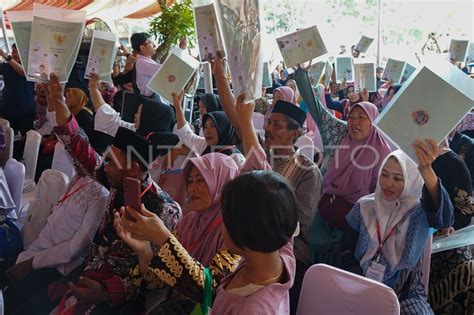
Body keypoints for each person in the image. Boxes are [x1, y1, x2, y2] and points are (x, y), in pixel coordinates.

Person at [47, 73, 181, 313]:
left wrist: (107, 294)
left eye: (110, 160)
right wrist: (59, 101)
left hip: (120, 304)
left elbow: (156, 274)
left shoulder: (164, 209)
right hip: (87, 279)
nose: (104, 165)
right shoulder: (115, 181)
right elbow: (81, 149)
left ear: (132, 166)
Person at [114, 171, 298, 314]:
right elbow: (271, 197)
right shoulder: (276, 249)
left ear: (244, 228)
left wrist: (162, 237)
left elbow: (206, 289)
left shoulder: (251, 309)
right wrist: (145, 250)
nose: (192, 188)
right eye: (190, 181)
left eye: (225, 218)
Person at [294, 67, 392, 267]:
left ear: (372, 122)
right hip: (323, 216)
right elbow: (316, 107)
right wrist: (303, 76)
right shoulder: (338, 135)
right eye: (352, 117)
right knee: (316, 261)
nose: (355, 122)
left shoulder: (383, 151)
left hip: (357, 227)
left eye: (361, 118)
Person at [233, 93, 321, 314]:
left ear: (295, 133)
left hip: (288, 248)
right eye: (269, 122)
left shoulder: (308, 171)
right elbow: (236, 121)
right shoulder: (260, 154)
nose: (269, 128)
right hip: (247, 236)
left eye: (277, 125)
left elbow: (301, 219)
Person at [341, 147, 454, 314]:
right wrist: (357, 276)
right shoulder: (364, 206)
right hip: (359, 282)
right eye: (384, 174)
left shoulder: (419, 212)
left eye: (398, 178)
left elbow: (445, 219)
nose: (388, 183)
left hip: (405, 292)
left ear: (410, 180)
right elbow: (346, 247)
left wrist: (426, 170)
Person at [4, 170, 109, 315]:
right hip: (37, 253)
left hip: (58, 267)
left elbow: (75, 248)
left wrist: (31, 264)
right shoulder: (79, 178)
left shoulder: (100, 194)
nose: (74, 162)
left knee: (14, 300)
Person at [428, 140, 474, 315]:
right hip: (406, 234)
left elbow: (463, 213)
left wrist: (444, 230)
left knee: (466, 274)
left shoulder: (453, 164)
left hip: (445, 240)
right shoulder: (402, 157)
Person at [172, 90, 245, 167]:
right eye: (205, 127)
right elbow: (186, 134)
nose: (207, 131)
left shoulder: (236, 158)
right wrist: (178, 107)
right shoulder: (205, 145)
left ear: (223, 129)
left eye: (212, 126)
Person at [0, 44, 36, 138]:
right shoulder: (5, 66)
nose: (15, 54)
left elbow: (22, 72)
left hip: (26, 110)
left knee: (27, 139)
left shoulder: (30, 67)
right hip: (7, 108)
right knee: (6, 138)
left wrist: (5, 56)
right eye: (13, 52)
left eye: (18, 52)